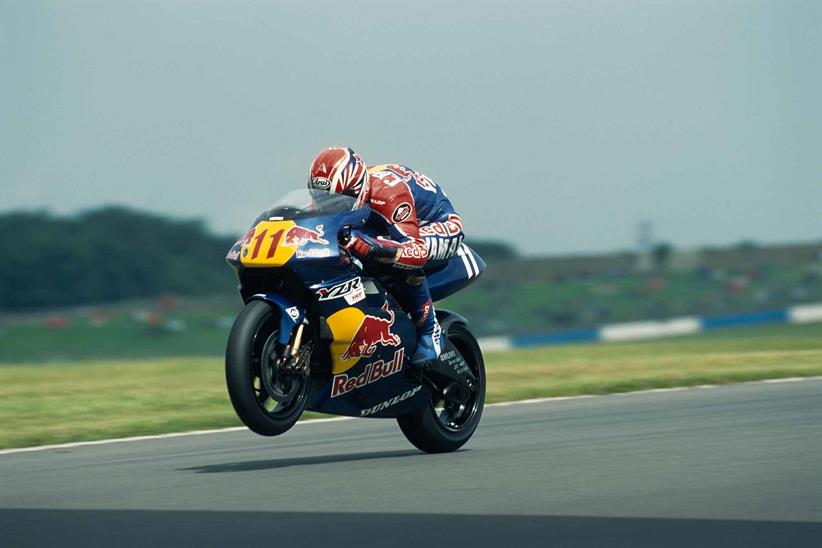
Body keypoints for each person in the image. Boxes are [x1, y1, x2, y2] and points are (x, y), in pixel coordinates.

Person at [307, 146, 465, 366]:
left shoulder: (390, 194)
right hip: (384, 223)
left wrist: (374, 249)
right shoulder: (332, 193)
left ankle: (430, 330)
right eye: (322, 198)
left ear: (358, 190)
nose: (327, 205)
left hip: (435, 225)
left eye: (337, 200)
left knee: (389, 257)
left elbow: (415, 251)